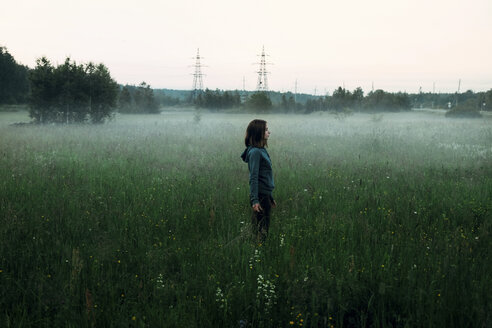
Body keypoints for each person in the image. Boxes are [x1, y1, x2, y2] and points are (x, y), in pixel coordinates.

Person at [240, 119, 276, 241]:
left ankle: (258, 249)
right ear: (258, 132)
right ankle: (258, 252)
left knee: (262, 227)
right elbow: (254, 177)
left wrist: (270, 196)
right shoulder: (255, 152)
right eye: (266, 130)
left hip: (265, 195)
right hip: (260, 196)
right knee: (261, 229)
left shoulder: (261, 150)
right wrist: (255, 200)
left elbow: (264, 176)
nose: (268, 132)